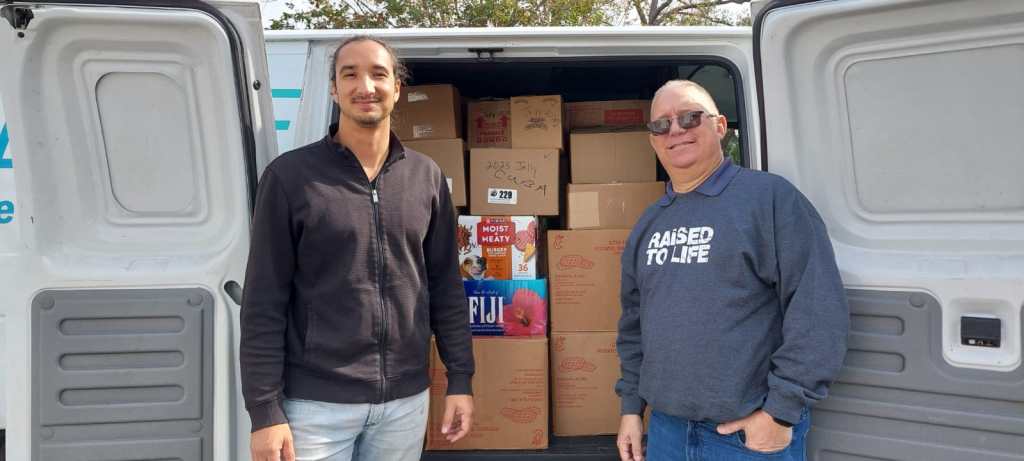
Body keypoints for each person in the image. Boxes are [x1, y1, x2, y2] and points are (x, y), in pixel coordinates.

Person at [240, 35, 475, 461]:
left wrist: (460, 379)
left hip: (404, 404)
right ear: (334, 88)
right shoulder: (290, 178)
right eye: (350, 74)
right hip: (315, 407)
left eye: (378, 74)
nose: (365, 86)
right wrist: (265, 410)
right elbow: (263, 302)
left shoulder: (426, 177)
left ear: (397, 88)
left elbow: (445, 287)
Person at [615, 80, 849, 461]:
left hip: (745, 437)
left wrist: (781, 412)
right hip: (666, 432)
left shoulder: (770, 199)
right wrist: (631, 409)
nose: (675, 130)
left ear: (720, 126)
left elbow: (817, 308)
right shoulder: (649, 224)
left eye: (690, 117)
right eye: (661, 124)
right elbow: (633, 325)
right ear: (653, 140)